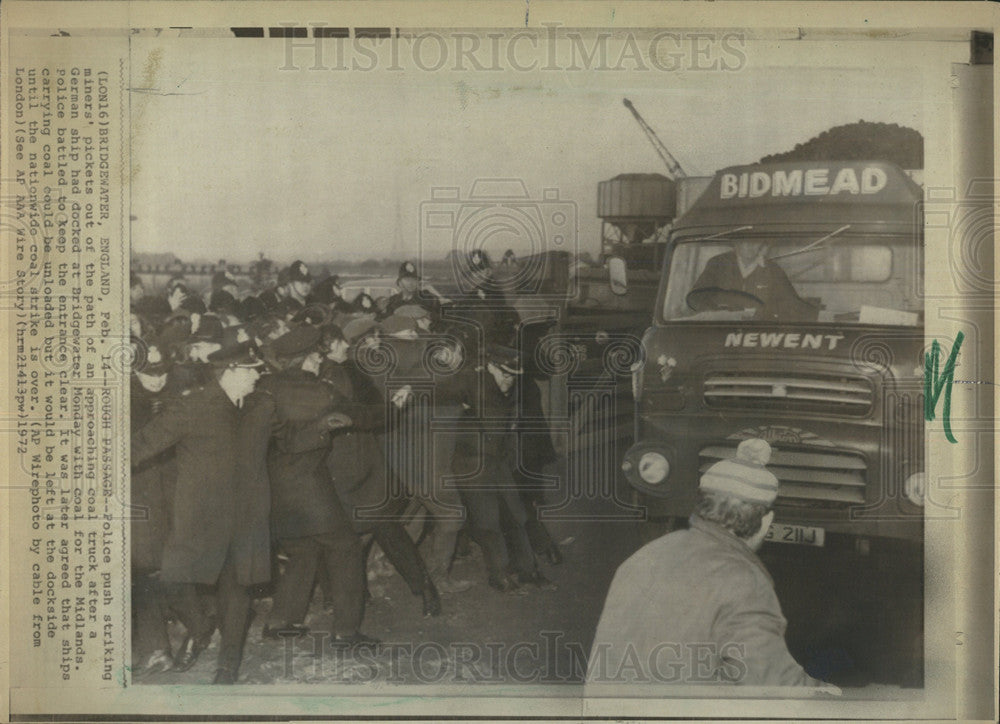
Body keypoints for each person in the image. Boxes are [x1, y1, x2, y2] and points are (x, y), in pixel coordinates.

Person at [586, 438, 827, 688]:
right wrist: (827, 696)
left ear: (702, 506)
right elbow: (774, 682)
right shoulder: (744, 582)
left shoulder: (643, 557)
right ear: (766, 522)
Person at [130, 337, 268, 684]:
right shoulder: (193, 406)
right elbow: (142, 444)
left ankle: (228, 665)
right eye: (252, 370)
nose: (258, 375)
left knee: (237, 587)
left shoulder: (262, 405)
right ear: (231, 371)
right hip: (199, 517)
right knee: (174, 580)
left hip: (247, 515)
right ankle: (201, 626)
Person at [253, 326, 379, 652]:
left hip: (275, 488)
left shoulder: (266, 387)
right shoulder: (319, 391)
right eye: (317, 356)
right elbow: (363, 416)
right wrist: (394, 406)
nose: (320, 361)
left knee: (303, 551)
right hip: (309, 487)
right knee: (346, 548)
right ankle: (346, 633)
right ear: (308, 358)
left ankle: (280, 622)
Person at [691, 241, 814, 321]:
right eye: (745, 241)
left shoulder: (773, 270)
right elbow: (697, 297)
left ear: (761, 245)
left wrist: (765, 313)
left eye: (755, 241)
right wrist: (718, 313)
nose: (750, 246)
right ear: (736, 244)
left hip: (757, 331)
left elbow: (791, 304)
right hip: (722, 329)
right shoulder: (718, 263)